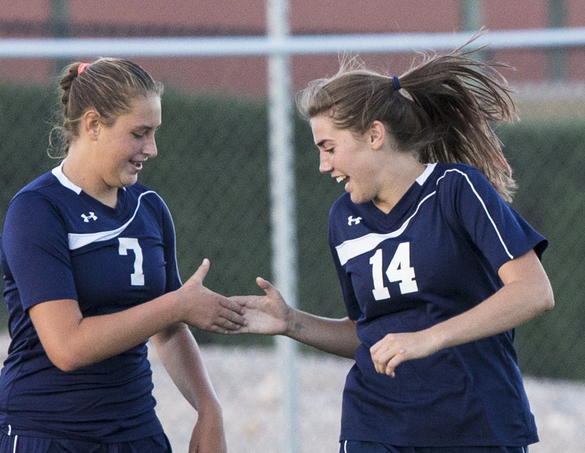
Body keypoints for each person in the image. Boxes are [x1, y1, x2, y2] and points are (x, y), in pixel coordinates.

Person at [231, 45, 555, 453]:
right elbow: (367, 335)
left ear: (374, 135)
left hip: (477, 424)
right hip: (376, 425)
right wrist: (290, 322)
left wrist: (428, 338)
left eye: (329, 147)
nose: (322, 164)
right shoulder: (342, 219)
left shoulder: (457, 189)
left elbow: (533, 292)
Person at [0, 58, 247, 453]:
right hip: (50, 434)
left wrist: (208, 408)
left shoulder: (148, 206)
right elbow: (68, 347)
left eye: (154, 133)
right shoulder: (37, 210)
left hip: (136, 432)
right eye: (139, 133)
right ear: (93, 125)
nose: (152, 148)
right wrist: (176, 305)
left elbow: (169, 328)